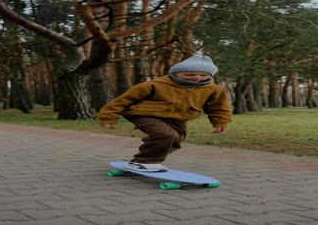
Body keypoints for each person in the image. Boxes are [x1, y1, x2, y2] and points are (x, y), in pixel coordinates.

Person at [97, 55, 232, 172]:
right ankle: (144, 162)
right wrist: (108, 117)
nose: (196, 78)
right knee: (166, 135)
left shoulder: (213, 89)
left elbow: (219, 107)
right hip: (145, 114)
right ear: (175, 73)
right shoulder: (157, 84)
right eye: (189, 75)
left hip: (177, 119)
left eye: (203, 75)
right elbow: (124, 99)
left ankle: (142, 160)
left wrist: (221, 122)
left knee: (176, 140)